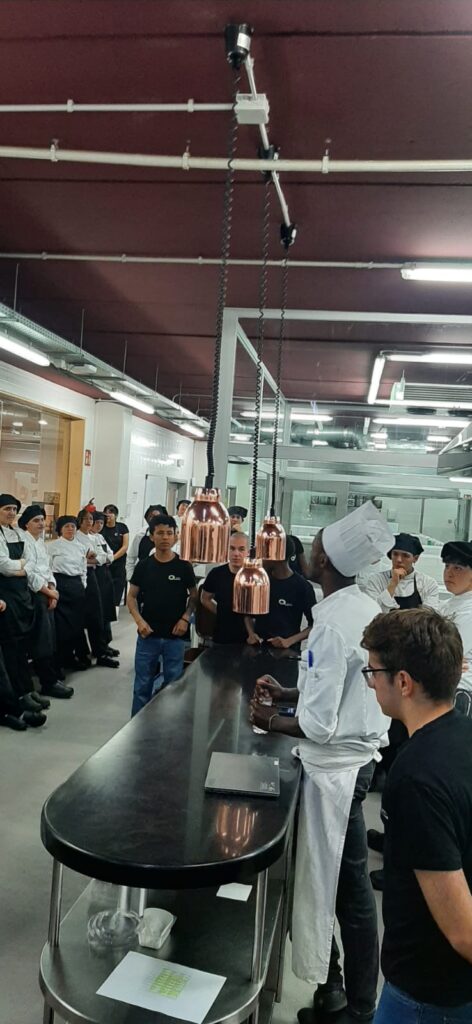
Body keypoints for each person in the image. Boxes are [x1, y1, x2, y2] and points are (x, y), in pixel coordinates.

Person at [250, 501, 393, 1023]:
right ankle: (332, 986)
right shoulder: (357, 607)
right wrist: (290, 692)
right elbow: (337, 689)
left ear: (326, 561)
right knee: (328, 881)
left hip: (339, 771)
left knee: (345, 889)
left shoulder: (332, 622)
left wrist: (271, 720)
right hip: (353, 759)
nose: (305, 553)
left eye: (313, 547)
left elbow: (320, 724)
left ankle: (359, 1006)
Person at [361, 608, 472, 1023]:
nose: (371, 683)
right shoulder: (464, 733)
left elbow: (462, 932)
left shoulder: (415, 775)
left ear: (404, 682)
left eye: (374, 673)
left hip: (427, 997)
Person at [127, 514, 198, 716]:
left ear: (176, 536)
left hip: (175, 637)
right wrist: (139, 621)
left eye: (169, 533)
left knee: (173, 686)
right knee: (142, 686)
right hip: (147, 636)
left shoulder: (184, 566)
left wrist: (185, 618)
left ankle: (168, 724)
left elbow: (194, 597)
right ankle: (137, 726)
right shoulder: (144, 566)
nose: (165, 537)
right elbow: (131, 597)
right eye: (160, 533)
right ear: (151, 536)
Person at [0, 492, 49, 720]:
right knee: (11, 648)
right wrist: (19, 567)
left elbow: (30, 563)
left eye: (13, 509)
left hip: (21, 596)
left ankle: (27, 689)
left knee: (22, 646)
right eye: (6, 509)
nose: (11, 513)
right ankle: (18, 694)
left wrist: (19, 568)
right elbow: (3, 566)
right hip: (6, 597)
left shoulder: (17, 533)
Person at [19, 503, 73, 698]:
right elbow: (29, 573)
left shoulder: (40, 542)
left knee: (50, 638)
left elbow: (47, 568)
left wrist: (52, 587)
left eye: (42, 520)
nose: (41, 524)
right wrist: (48, 592)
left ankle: (52, 677)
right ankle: (47, 682)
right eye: (36, 521)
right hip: (34, 595)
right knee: (41, 641)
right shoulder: (24, 542)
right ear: (26, 524)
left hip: (47, 593)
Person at [245, 537, 316, 650]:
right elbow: (247, 613)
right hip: (258, 650)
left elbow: (314, 624)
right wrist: (251, 633)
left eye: (265, 553)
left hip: (288, 653)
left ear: (277, 557)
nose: (261, 558)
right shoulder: (260, 581)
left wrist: (289, 641)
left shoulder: (302, 587)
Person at [75, 509, 119, 668]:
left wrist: (95, 559)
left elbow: (104, 556)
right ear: (79, 521)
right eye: (86, 519)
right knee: (85, 617)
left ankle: (100, 650)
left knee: (98, 615)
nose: (89, 522)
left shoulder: (94, 537)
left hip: (94, 576)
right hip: (81, 576)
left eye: (91, 519)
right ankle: (83, 652)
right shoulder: (76, 537)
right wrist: (92, 559)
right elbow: (80, 560)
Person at [48, 515, 88, 675]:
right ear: (60, 529)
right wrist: (51, 590)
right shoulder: (52, 546)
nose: (70, 529)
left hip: (76, 586)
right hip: (60, 585)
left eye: (73, 526)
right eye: (66, 526)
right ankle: (57, 664)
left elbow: (83, 568)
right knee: (61, 628)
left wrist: (83, 585)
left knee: (76, 626)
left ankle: (70, 658)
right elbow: (48, 569)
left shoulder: (81, 547)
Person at [364, 533, 440, 613]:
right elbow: (372, 611)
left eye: (405, 556)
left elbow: (430, 616)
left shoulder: (427, 583)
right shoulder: (376, 580)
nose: (399, 560)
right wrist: (393, 584)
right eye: (395, 554)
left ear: (415, 558)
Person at [201, 532, 249, 644]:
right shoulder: (216, 573)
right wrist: (221, 612)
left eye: (241, 549)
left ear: (248, 552)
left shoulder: (254, 576)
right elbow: (204, 598)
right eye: (232, 548)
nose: (236, 553)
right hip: (222, 634)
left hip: (248, 636)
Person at [442, 540, 472, 716]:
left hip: (461, 693)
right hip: (443, 684)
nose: (449, 573)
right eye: (447, 566)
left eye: (458, 568)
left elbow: (444, 654)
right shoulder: (447, 605)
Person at [90, 511, 119, 655]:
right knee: (98, 613)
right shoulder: (86, 538)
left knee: (107, 610)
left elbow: (110, 554)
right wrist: (103, 558)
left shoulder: (100, 537)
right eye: (96, 522)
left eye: (102, 523)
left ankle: (106, 643)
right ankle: (99, 646)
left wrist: (105, 558)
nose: (99, 526)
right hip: (95, 576)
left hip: (106, 575)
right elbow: (97, 558)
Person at [126, 504, 167, 581]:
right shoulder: (140, 535)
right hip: (142, 578)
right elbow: (131, 558)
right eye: (151, 517)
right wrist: (131, 577)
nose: (154, 520)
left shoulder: (169, 537)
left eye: (157, 517)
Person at [101, 504, 129, 607]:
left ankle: (115, 610)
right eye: (106, 513)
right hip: (104, 564)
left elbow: (125, 546)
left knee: (116, 594)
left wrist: (112, 558)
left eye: (110, 513)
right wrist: (106, 559)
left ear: (116, 515)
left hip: (118, 565)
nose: (107, 515)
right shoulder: (101, 528)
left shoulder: (122, 527)